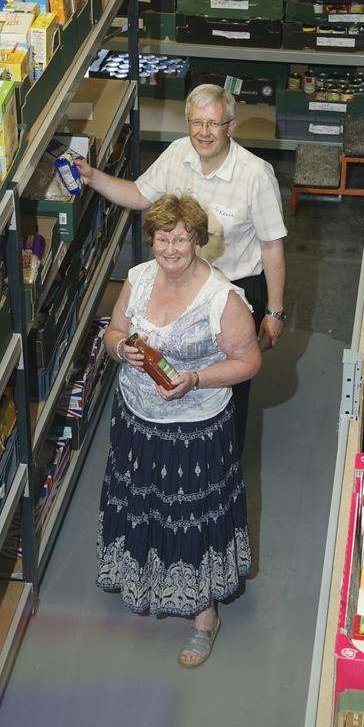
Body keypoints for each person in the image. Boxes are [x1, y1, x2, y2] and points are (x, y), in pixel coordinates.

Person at [76, 83, 287, 451]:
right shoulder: (177, 154)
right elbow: (140, 195)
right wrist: (94, 178)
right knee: (172, 369)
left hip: (232, 291)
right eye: (196, 123)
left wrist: (274, 310)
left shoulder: (255, 175)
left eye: (213, 124)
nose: (204, 133)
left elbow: (271, 246)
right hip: (177, 282)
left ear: (230, 127)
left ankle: (221, 458)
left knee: (226, 389)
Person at [99, 194, 261, 667]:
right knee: (146, 503)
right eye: (162, 238)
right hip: (138, 417)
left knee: (193, 514)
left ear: (198, 241)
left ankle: (204, 614)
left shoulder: (222, 298)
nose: (170, 249)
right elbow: (113, 330)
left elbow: (247, 362)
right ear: (151, 240)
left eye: (181, 239)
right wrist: (119, 350)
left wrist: (195, 378)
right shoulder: (138, 278)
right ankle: (149, 579)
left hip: (195, 429)